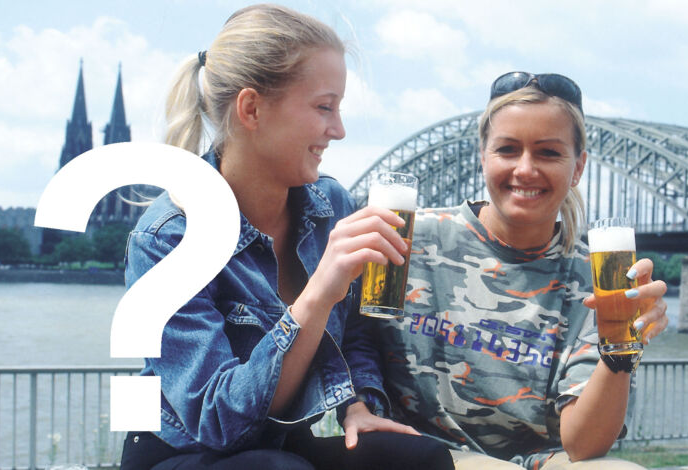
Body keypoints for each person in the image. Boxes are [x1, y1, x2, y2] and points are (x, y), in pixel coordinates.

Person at [119, 4, 453, 470]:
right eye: (324, 107)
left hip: (281, 446)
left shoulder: (330, 204)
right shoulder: (167, 236)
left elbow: (354, 329)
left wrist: (357, 406)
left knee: (417, 458)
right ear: (252, 109)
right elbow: (218, 423)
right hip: (183, 453)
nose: (338, 130)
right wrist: (318, 292)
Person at [375, 72, 668, 469]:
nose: (526, 170)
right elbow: (344, 344)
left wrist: (622, 349)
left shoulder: (598, 278)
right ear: (482, 157)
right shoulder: (409, 237)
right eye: (508, 150)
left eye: (548, 153)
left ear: (578, 167)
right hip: (421, 455)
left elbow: (583, 447)